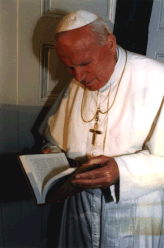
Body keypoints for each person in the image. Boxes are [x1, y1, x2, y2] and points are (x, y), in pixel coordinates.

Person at [39, 10, 164, 248]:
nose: (79, 77)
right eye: (69, 67)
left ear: (110, 43)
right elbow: (54, 139)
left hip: (134, 211)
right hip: (79, 205)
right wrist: (52, 156)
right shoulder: (78, 80)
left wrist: (121, 170)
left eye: (86, 63)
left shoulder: (158, 79)